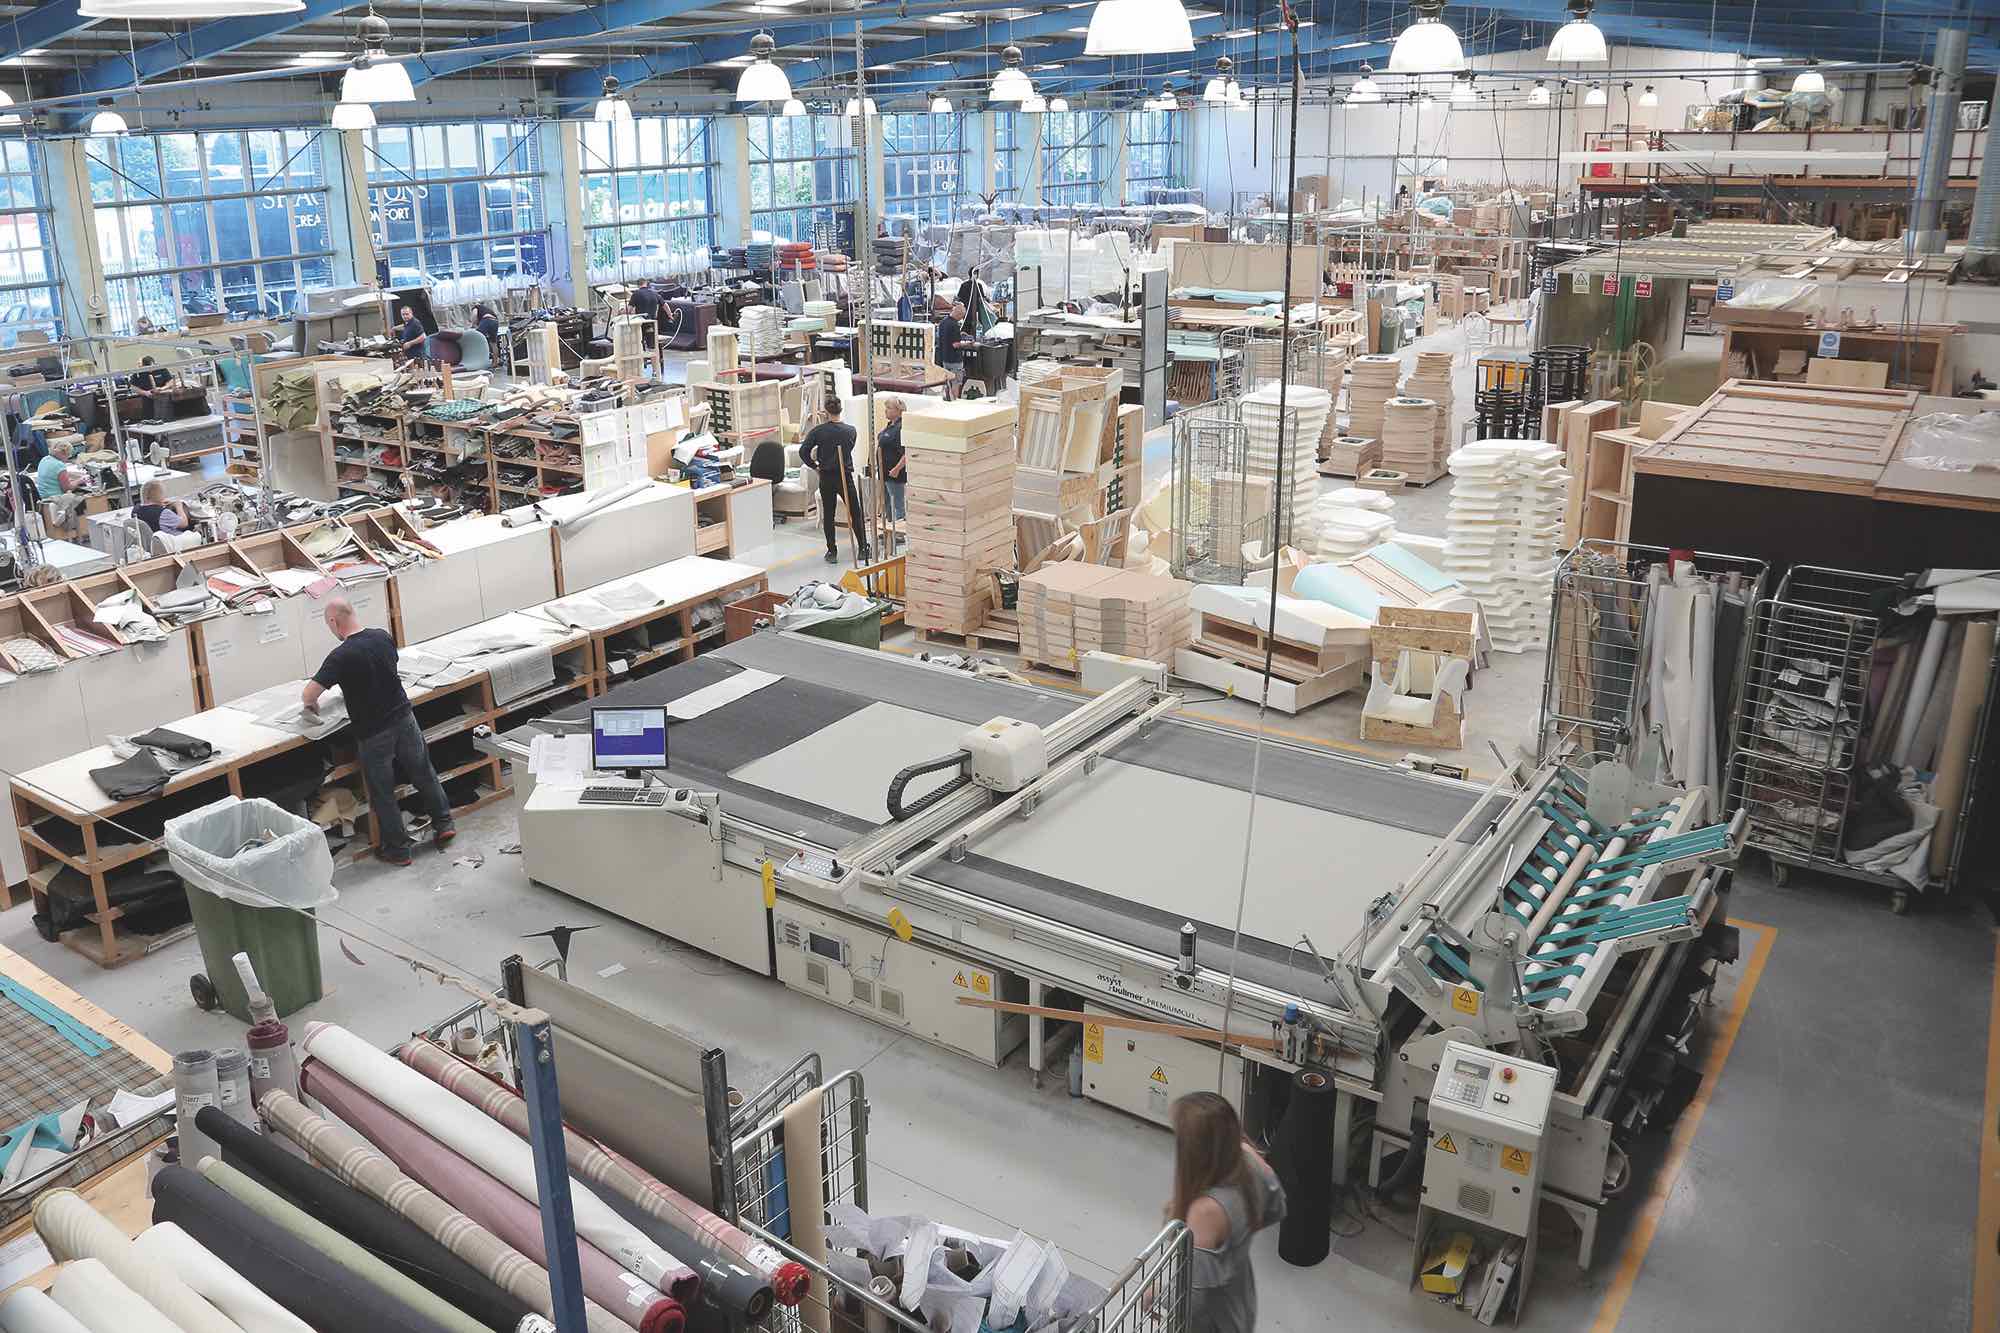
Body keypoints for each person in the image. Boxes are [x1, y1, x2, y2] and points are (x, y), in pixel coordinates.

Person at [302, 596, 455, 867]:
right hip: (404, 718)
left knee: (383, 792)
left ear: (334, 622)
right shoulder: (382, 637)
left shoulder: (340, 656)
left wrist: (312, 703)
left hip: (374, 733)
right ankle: (444, 823)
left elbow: (309, 694)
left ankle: (398, 850)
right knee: (423, 772)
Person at [1168, 1092, 1285, 1333]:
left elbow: (1193, 1301)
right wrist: (1233, 1248)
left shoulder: (1206, 1212)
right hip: (1240, 1299)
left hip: (1214, 1321)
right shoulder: (1248, 1159)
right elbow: (1277, 1205)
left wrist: (1156, 1295)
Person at [798, 398, 870, 566]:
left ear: (826, 412)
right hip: (845, 475)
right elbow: (848, 449)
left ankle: (832, 551)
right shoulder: (851, 431)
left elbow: (803, 451)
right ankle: (862, 548)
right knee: (855, 512)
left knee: (828, 515)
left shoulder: (818, 431)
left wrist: (814, 465)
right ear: (840, 410)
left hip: (827, 476)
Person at [876, 397, 907, 528]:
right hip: (885, 474)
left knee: (897, 505)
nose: (886, 411)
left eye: (889, 408)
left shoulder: (900, 428)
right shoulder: (890, 426)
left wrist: (896, 469)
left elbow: (907, 453)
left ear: (898, 411)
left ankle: (898, 533)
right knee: (888, 505)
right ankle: (889, 530)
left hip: (894, 475)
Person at [935, 301, 972, 397]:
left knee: (947, 383)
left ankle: (946, 399)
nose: (961, 319)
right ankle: (955, 401)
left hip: (944, 358)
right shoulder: (954, 325)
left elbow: (946, 338)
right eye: (961, 317)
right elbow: (955, 344)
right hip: (955, 359)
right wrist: (967, 343)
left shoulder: (943, 322)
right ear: (959, 314)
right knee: (956, 383)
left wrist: (960, 335)